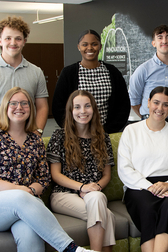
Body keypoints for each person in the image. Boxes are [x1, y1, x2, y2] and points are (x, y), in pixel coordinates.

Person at [0, 87, 95, 252]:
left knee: (32, 237)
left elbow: (43, 178)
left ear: (31, 108)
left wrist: (28, 191)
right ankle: (70, 248)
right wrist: (19, 190)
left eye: (24, 103)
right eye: (13, 103)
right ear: (5, 107)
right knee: (19, 197)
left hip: (24, 207)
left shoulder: (35, 140)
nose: (19, 107)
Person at [118, 86, 168, 252]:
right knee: (148, 208)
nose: (160, 108)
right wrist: (149, 186)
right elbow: (124, 169)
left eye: (166, 104)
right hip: (139, 186)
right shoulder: (131, 131)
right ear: (148, 103)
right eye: (156, 103)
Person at [47, 90, 116, 252]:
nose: (82, 111)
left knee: (100, 202)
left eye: (87, 106)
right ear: (71, 111)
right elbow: (55, 175)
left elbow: (107, 175)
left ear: (94, 109)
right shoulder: (59, 136)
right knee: (105, 211)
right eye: (77, 107)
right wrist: (82, 187)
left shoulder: (103, 138)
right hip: (63, 195)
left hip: (92, 195)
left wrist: (94, 188)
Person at [0, 16, 48, 136]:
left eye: (18, 38)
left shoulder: (36, 72)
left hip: (28, 138)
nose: (13, 43)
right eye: (8, 38)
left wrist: (37, 132)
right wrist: (5, 137)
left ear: (24, 41)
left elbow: (42, 108)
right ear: (0, 41)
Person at [52, 29, 130, 134]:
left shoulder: (112, 72)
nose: (89, 48)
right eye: (85, 44)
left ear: (100, 47)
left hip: (106, 133)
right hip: (77, 134)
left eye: (94, 44)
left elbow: (123, 104)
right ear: (78, 47)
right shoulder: (68, 73)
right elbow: (58, 106)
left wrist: (108, 130)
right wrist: (74, 129)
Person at [129, 25, 168, 129]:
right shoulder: (143, 69)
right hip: (149, 123)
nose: (164, 41)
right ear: (153, 43)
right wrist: (151, 116)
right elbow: (134, 101)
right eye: (160, 37)